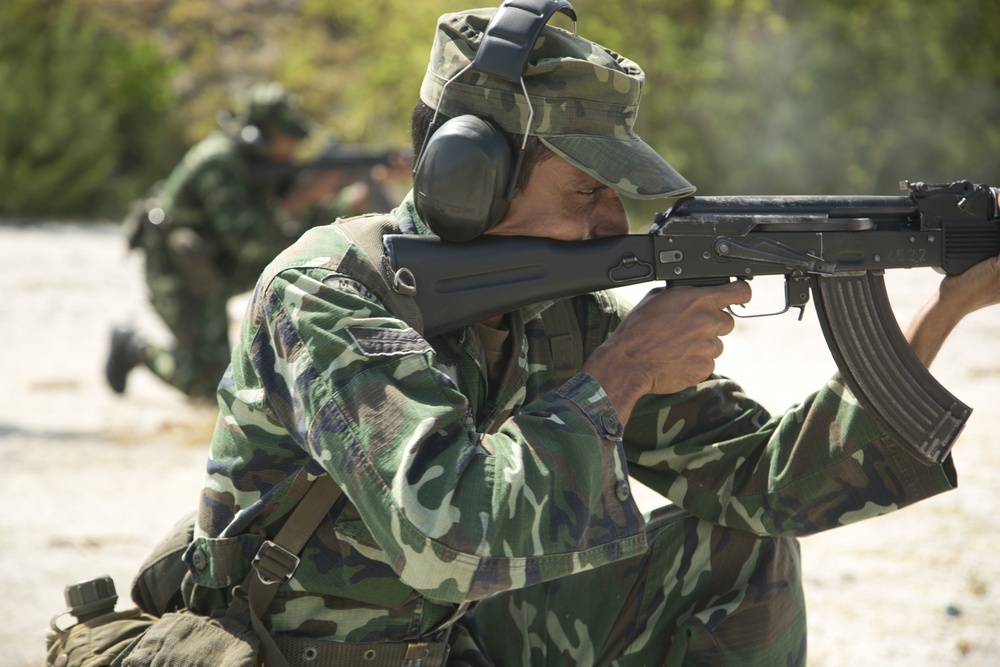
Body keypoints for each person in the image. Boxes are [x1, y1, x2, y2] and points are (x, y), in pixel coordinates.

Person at [172, 7, 1000, 666]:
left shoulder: (554, 316)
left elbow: (765, 484)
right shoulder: (328, 296)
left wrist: (941, 313)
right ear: (470, 183)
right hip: (296, 653)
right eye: (585, 191)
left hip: (450, 641)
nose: (612, 221)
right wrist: (629, 365)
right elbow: (447, 538)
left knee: (739, 543)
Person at [104, 82, 371, 400]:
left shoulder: (271, 166)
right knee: (206, 384)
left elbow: (306, 229)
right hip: (175, 270)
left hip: (212, 268)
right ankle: (134, 346)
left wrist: (350, 200)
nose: (294, 148)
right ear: (261, 134)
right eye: (287, 138)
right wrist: (300, 198)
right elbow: (249, 240)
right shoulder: (218, 163)